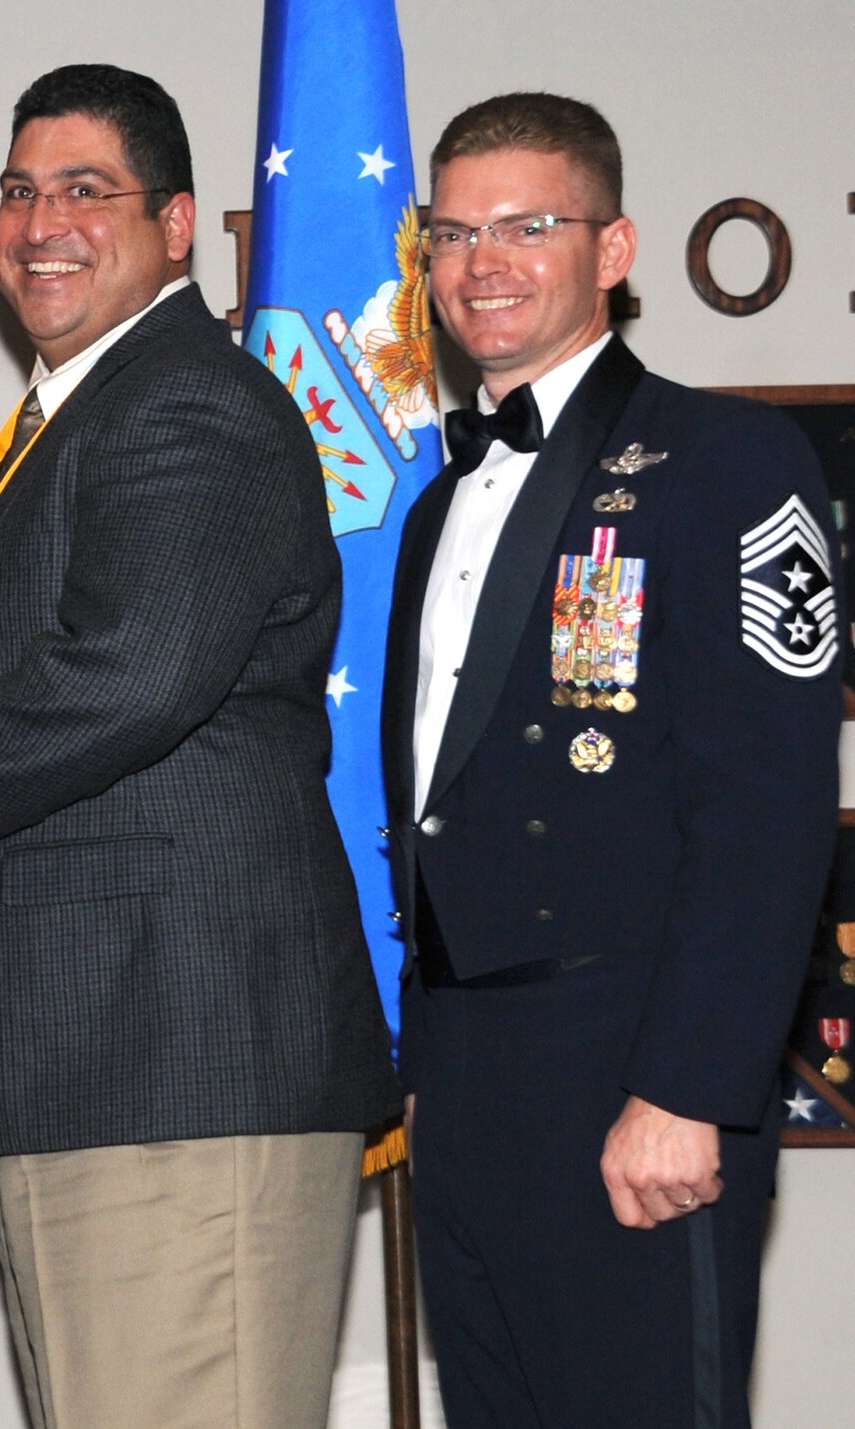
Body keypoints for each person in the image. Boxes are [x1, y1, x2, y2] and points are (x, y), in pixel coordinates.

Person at [0, 66, 399, 1428]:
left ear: (177, 225)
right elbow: (107, 673)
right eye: (18, 192)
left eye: (84, 190)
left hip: (176, 1061)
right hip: (93, 1065)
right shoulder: (86, 415)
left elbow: (130, 678)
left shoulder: (186, 403)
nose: (40, 221)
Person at [381, 92, 840, 1428]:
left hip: (629, 1064)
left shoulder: (729, 461)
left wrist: (689, 1087)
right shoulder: (433, 509)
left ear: (617, 247)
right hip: (463, 1075)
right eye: (454, 232)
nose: (485, 262)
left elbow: (767, 804)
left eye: (530, 224)